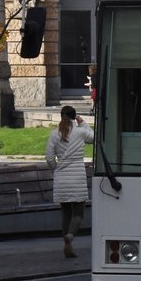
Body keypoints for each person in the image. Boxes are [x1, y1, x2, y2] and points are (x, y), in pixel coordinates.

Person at [45, 105, 94, 258]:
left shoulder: (54, 134)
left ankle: (67, 246)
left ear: (61, 116)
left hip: (62, 179)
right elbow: (94, 138)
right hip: (77, 178)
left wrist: (56, 169)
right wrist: (83, 123)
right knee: (78, 214)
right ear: (74, 117)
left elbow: (49, 157)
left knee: (66, 214)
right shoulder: (80, 132)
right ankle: (70, 236)